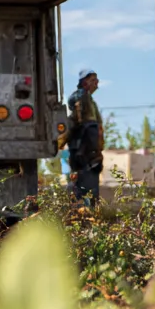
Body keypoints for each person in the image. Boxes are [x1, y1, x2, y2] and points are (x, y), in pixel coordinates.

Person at [64, 68, 104, 207]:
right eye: (92, 80)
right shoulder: (81, 97)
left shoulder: (90, 101)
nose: (96, 82)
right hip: (84, 150)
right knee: (84, 184)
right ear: (84, 82)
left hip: (88, 150)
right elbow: (87, 126)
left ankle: (85, 210)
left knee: (88, 183)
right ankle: (82, 211)